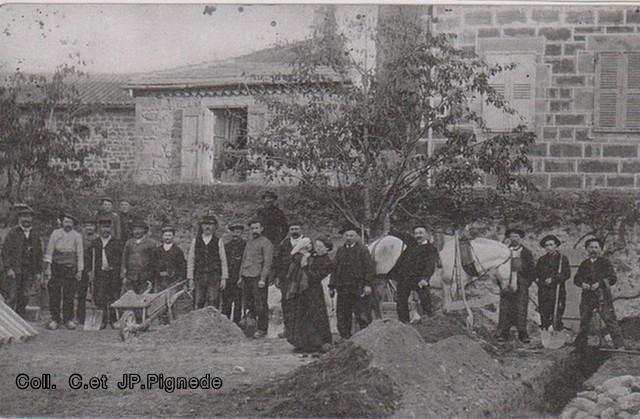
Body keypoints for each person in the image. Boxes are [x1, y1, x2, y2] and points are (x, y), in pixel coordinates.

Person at [573, 238, 626, 351]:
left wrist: (600, 283)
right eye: (591, 247)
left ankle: (620, 345)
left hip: (603, 296)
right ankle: (581, 345)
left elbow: (613, 278)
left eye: (596, 247)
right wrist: (583, 284)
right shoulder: (584, 264)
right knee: (584, 319)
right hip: (587, 297)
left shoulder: (605, 263)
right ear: (587, 249)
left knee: (609, 319)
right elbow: (576, 279)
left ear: (600, 249)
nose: (593, 250)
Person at [287, 236, 334, 353]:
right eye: (316, 246)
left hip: (315, 291)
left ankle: (317, 343)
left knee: (316, 316)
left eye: (320, 247)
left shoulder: (327, 261)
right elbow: (295, 255)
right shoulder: (313, 256)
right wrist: (303, 256)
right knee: (303, 315)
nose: (317, 249)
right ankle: (303, 343)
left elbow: (317, 277)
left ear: (327, 249)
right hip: (305, 290)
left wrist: (306, 267)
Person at [329, 223, 375, 341]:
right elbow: (335, 269)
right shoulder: (340, 251)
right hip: (343, 288)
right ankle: (345, 337)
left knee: (362, 313)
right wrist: (332, 286)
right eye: (347, 235)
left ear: (356, 237)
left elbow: (369, 268)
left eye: (351, 235)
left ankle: (364, 338)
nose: (349, 238)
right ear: (343, 237)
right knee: (343, 314)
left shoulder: (362, 250)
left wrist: (367, 284)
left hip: (358, 287)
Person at [43, 213, 84, 330]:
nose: (68, 224)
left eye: (70, 222)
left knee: (69, 294)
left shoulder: (77, 236)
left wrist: (80, 270)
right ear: (62, 222)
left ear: (73, 224)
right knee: (54, 293)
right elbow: (49, 251)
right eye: (66, 222)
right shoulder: (55, 233)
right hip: (56, 267)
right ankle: (55, 319)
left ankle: (68, 319)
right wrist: (48, 268)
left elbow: (80, 253)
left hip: (70, 267)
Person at [1, 206, 43, 318]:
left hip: (29, 271)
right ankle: (9, 321)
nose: (26, 220)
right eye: (24, 217)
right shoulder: (13, 233)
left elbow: (39, 254)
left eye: (28, 217)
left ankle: (20, 318)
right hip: (15, 270)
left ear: (32, 219)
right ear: (19, 218)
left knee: (25, 296)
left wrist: (38, 271)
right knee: (12, 296)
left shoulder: (35, 234)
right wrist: (8, 268)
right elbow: (6, 252)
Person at [391, 225, 439, 323]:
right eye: (416, 233)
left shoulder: (431, 249)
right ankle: (403, 321)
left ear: (426, 234)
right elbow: (400, 261)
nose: (418, 236)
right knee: (401, 299)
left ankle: (428, 318)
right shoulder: (410, 247)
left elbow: (430, 265)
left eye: (421, 233)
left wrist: (425, 278)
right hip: (405, 278)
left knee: (425, 297)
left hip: (420, 278)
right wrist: (395, 274)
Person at [496, 227, 536, 344]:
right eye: (512, 236)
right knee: (505, 308)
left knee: (521, 308)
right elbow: (498, 268)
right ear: (509, 238)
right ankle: (503, 333)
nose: (514, 239)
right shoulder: (504, 251)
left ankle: (522, 334)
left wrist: (525, 282)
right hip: (506, 283)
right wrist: (501, 282)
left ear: (520, 238)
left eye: (516, 237)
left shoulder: (526, 253)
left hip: (521, 284)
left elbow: (531, 270)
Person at [238, 220, 274, 338]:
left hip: (258, 278)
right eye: (252, 228)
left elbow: (267, 263)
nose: (254, 231)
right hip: (247, 277)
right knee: (248, 303)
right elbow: (244, 260)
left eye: (256, 228)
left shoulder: (266, 243)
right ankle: (251, 327)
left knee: (260, 304)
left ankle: (262, 329)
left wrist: (263, 279)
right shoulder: (249, 242)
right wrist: (240, 277)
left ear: (261, 229)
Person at [87, 217, 124, 329]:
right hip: (100, 274)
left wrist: (120, 271)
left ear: (111, 229)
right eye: (103, 227)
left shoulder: (117, 243)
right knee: (100, 296)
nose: (105, 230)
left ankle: (113, 320)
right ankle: (102, 320)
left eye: (107, 227)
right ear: (99, 229)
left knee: (114, 296)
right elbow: (89, 259)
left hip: (113, 274)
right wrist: (90, 271)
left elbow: (121, 259)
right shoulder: (95, 243)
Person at [187, 215, 228, 309]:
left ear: (214, 227)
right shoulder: (195, 241)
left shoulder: (218, 241)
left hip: (214, 276)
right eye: (205, 224)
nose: (207, 227)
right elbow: (191, 259)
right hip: (199, 276)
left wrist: (224, 278)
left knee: (213, 301)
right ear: (201, 226)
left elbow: (223, 260)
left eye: (210, 224)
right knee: (198, 301)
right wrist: (190, 278)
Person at [274, 219, 306, 339]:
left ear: (301, 229)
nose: (294, 231)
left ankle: (301, 330)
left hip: (301, 278)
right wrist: (277, 276)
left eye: (296, 229)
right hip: (285, 278)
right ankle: (288, 329)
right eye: (292, 229)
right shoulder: (285, 243)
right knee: (287, 303)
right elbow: (278, 261)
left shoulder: (306, 242)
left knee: (301, 303)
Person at [535, 234, 571, 331]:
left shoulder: (562, 259)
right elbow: (536, 274)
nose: (549, 247)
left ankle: (556, 330)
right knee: (544, 312)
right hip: (544, 291)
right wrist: (540, 281)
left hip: (557, 290)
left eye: (551, 245)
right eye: (546, 245)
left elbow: (567, 274)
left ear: (556, 246)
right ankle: (545, 330)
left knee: (557, 311)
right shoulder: (541, 260)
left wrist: (553, 279)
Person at [121, 219, 157, 294]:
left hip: (145, 276)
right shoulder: (129, 243)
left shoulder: (151, 243)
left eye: (140, 229)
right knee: (131, 295)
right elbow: (124, 259)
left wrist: (151, 276)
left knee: (144, 296)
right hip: (131, 276)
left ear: (144, 230)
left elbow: (154, 261)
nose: (137, 232)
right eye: (135, 229)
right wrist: (123, 275)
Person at [221, 221, 246, 324]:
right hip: (228, 278)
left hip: (240, 278)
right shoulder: (226, 246)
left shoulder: (245, 246)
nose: (236, 234)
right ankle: (225, 324)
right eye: (234, 232)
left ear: (241, 233)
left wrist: (242, 277)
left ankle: (236, 324)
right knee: (226, 302)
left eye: (238, 232)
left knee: (238, 302)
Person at [76, 219, 98, 325]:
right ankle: (80, 317)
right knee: (81, 293)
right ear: (83, 227)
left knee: (96, 292)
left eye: (92, 225)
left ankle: (98, 316)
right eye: (87, 225)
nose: (89, 227)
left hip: (95, 268)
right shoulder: (79, 238)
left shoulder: (98, 238)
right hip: (82, 268)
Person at [152, 225, 186, 292]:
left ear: (173, 236)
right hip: (159, 282)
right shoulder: (157, 251)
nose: (167, 237)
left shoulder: (178, 251)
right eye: (166, 235)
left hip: (173, 282)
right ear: (162, 236)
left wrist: (178, 280)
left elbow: (182, 267)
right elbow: (153, 265)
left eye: (169, 235)